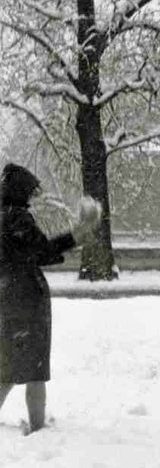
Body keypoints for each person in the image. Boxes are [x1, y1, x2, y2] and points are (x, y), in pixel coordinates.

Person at [0, 164, 101, 432]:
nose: (33, 198)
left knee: (6, 368)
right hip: (26, 300)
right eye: (30, 192)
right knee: (34, 368)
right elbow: (41, 252)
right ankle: (38, 428)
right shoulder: (18, 218)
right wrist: (77, 234)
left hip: (5, 299)